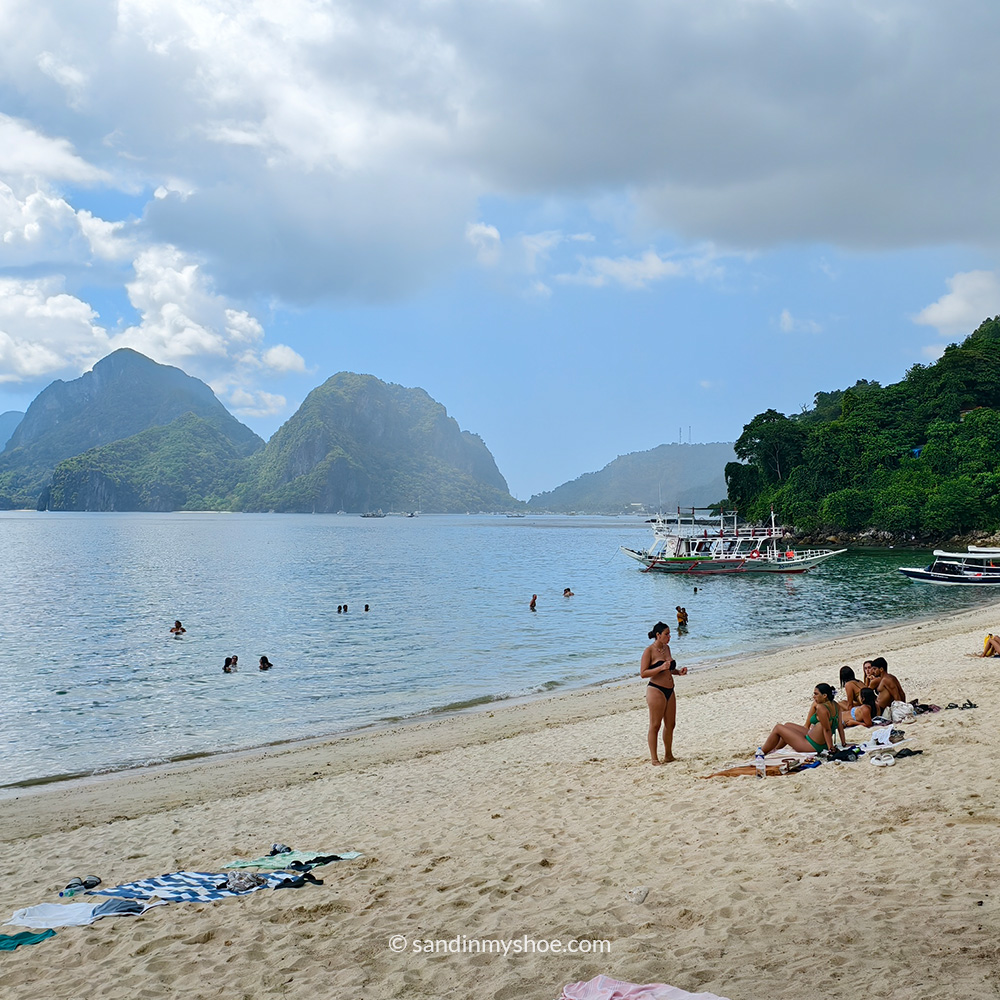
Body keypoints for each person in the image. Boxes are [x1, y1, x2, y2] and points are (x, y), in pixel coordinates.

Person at [640, 621, 687, 765]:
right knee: (655, 725)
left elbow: (668, 668)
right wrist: (661, 668)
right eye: (666, 634)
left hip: (670, 689)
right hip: (656, 689)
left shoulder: (667, 649)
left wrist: (678, 672)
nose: (669, 637)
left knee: (671, 724)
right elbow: (643, 673)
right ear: (658, 635)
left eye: (669, 634)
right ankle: (654, 759)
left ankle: (668, 755)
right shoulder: (649, 651)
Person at [761, 683, 845, 755]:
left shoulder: (821, 708)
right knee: (787, 725)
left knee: (778, 728)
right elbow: (840, 725)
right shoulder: (835, 705)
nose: (814, 696)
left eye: (816, 694)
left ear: (824, 696)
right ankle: (776, 749)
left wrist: (830, 749)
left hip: (812, 745)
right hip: (817, 740)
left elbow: (827, 730)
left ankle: (762, 753)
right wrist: (843, 743)